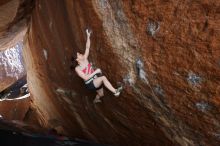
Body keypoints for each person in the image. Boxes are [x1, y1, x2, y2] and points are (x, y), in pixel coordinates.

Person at [75, 29, 122, 103]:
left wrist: (88, 36)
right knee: (103, 78)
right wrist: (95, 72)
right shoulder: (77, 69)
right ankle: (115, 92)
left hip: (95, 79)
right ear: (77, 59)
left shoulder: (85, 58)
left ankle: (96, 100)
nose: (79, 53)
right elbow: (86, 77)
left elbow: (87, 48)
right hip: (90, 83)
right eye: (78, 54)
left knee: (101, 94)